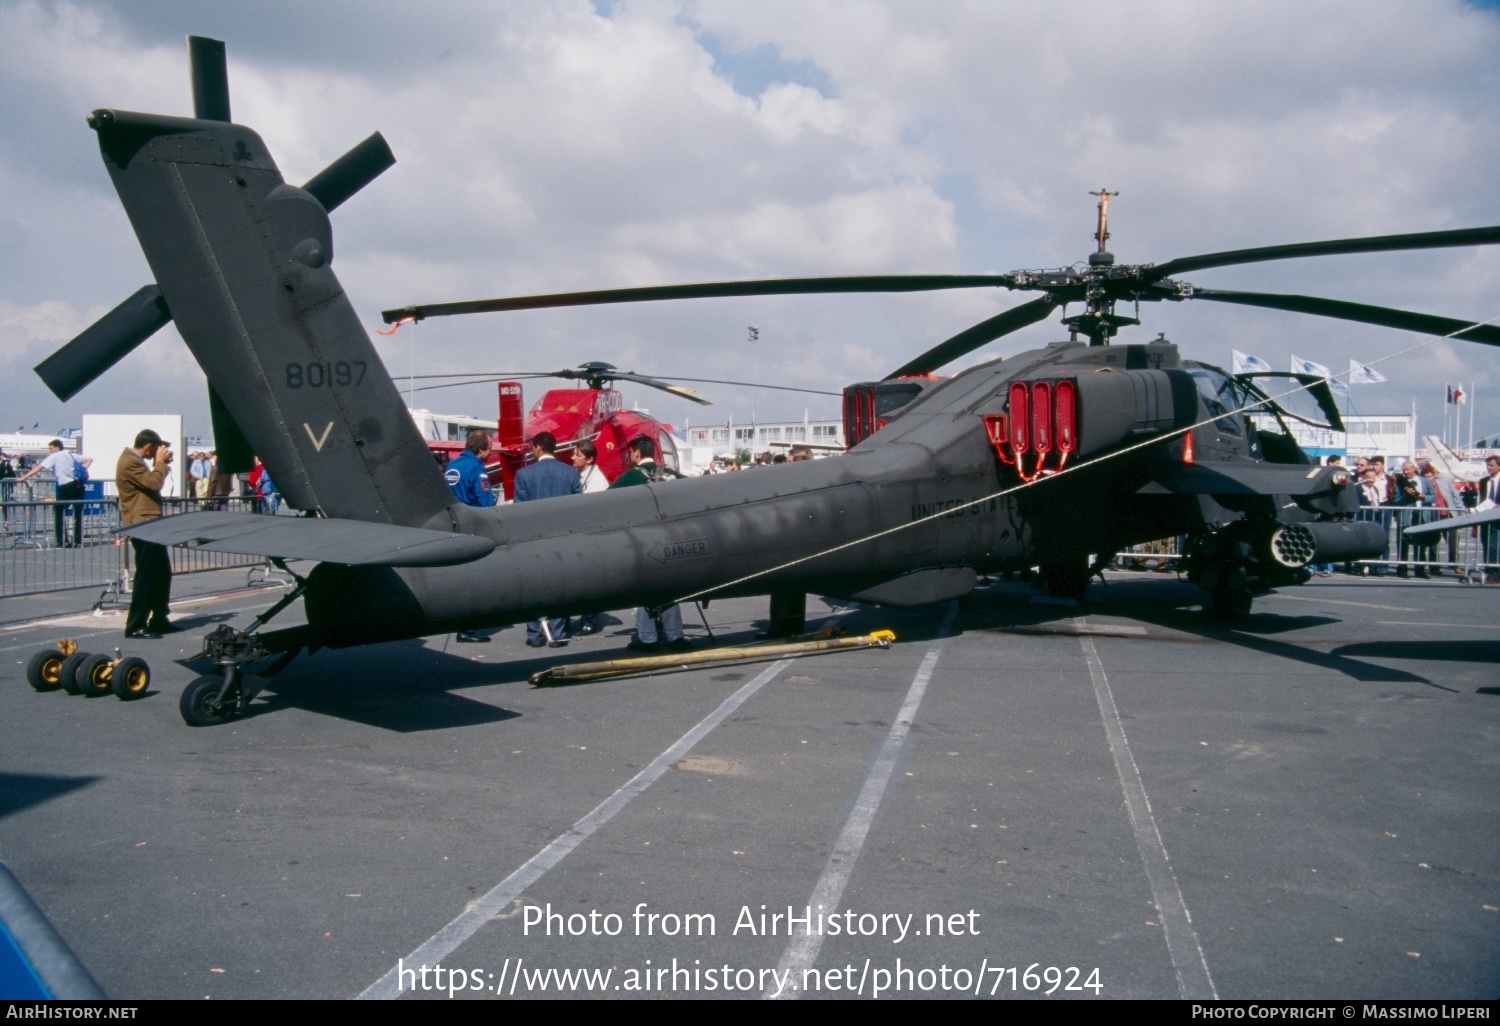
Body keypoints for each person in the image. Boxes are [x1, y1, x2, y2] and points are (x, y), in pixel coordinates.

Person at [610, 436, 690, 653]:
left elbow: (606, 501)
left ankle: (648, 639)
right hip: (672, 540)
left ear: (636, 453)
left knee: (646, 592)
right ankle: (675, 636)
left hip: (644, 542)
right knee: (670, 591)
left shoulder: (631, 477)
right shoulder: (670, 475)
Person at [513, 431, 580, 647]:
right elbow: (579, 507)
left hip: (534, 539)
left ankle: (535, 634)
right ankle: (559, 633)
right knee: (560, 586)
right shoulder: (570, 473)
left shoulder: (524, 475)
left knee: (534, 586)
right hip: (563, 538)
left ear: (539, 448)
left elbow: (519, 512)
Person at [117, 429, 177, 638]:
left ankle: (159, 618)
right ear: (149, 446)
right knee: (146, 576)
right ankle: (135, 624)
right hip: (143, 524)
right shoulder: (129, 462)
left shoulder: (136, 462)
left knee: (161, 573)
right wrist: (160, 463)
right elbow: (153, 483)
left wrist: (161, 464)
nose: (159, 453)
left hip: (150, 523)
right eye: (157, 449)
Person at [443, 430, 496, 643]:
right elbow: (485, 503)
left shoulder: (452, 465)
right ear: (481, 449)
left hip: (451, 526)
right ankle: (469, 628)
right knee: (475, 580)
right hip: (472, 527)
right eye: (489, 448)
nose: (490, 453)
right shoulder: (476, 468)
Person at [16, 439, 91, 548]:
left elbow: (39, 467)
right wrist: (84, 468)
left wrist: (24, 477)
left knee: (59, 512)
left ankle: (61, 541)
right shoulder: (71, 455)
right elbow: (90, 459)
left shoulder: (55, 456)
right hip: (77, 485)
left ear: (57, 447)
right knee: (77, 514)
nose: (49, 451)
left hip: (65, 486)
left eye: (51, 448)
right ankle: (77, 541)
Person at [568, 439, 609, 636]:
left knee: (591, 580)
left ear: (590, 459)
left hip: (592, 536)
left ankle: (590, 620)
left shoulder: (597, 480)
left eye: (577, 455)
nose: (572, 457)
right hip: (582, 534)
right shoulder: (580, 475)